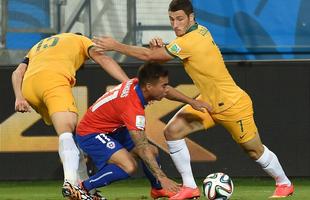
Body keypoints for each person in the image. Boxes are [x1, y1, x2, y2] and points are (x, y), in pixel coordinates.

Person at [92, 0, 294, 199]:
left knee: (254, 151)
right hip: (206, 102)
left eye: (180, 19)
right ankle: (190, 187)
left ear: (191, 17)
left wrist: (115, 45)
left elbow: (149, 55)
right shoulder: (198, 31)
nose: (175, 24)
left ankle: (284, 183)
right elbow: (161, 52)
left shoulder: (191, 41)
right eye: (171, 20)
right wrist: (159, 48)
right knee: (172, 132)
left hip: (233, 105)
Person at [63, 62, 211, 200]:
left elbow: (167, 91)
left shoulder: (137, 84)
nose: (166, 89)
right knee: (129, 165)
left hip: (113, 129)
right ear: (148, 87)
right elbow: (141, 146)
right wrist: (162, 176)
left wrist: (191, 101)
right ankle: (81, 188)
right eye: (163, 85)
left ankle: (157, 189)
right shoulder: (132, 108)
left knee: (152, 151)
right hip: (91, 133)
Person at [11, 32, 129, 200]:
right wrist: (128, 83)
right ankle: (71, 185)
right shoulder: (80, 40)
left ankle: (88, 191)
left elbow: (17, 72)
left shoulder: (39, 45)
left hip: (29, 88)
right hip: (53, 80)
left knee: (70, 136)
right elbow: (104, 59)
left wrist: (19, 97)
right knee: (67, 131)